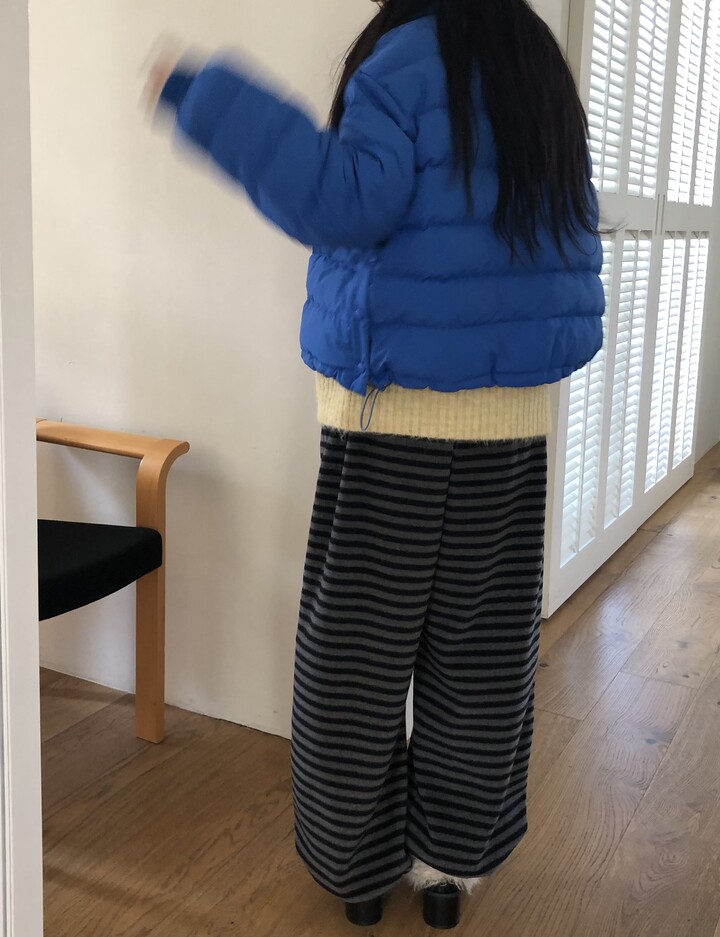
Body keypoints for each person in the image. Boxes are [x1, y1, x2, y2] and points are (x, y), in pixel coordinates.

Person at [144, 0, 605, 928]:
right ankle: (447, 872)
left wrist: (202, 95)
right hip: (511, 425)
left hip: (389, 415)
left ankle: (358, 869)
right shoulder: (537, 68)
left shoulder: (404, 60)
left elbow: (341, 200)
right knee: (480, 658)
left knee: (354, 662)